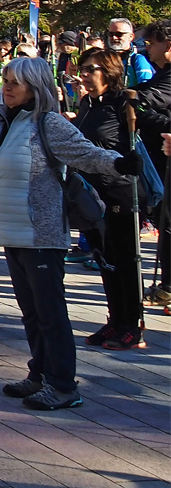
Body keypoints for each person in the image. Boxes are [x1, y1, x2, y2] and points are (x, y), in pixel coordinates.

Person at [0, 56, 141, 409]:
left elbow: (85, 153)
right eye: (6, 80)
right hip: (12, 231)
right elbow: (2, 160)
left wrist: (118, 163)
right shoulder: (7, 122)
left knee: (50, 312)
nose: (7, 88)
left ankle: (63, 386)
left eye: (15, 83)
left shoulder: (48, 123)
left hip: (40, 232)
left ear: (35, 88)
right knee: (31, 312)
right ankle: (39, 374)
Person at [71, 49, 145, 349]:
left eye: (90, 68)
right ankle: (114, 319)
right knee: (105, 260)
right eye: (82, 68)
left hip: (120, 191)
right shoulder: (88, 103)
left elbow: (144, 132)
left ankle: (132, 324)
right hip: (91, 194)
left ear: (109, 72)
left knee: (125, 259)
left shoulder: (123, 102)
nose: (84, 74)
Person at [133, 20, 171, 309]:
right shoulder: (162, 74)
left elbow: (147, 99)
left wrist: (145, 115)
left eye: (152, 42)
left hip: (166, 156)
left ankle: (169, 286)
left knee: (167, 221)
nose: (147, 47)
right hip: (159, 158)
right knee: (163, 218)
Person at [107, 18, 155, 88]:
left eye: (119, 34)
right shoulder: (104, 60)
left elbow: (146, 89)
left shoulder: (138, 60)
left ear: (131, 36)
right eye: (111, 34)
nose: (114, 37)